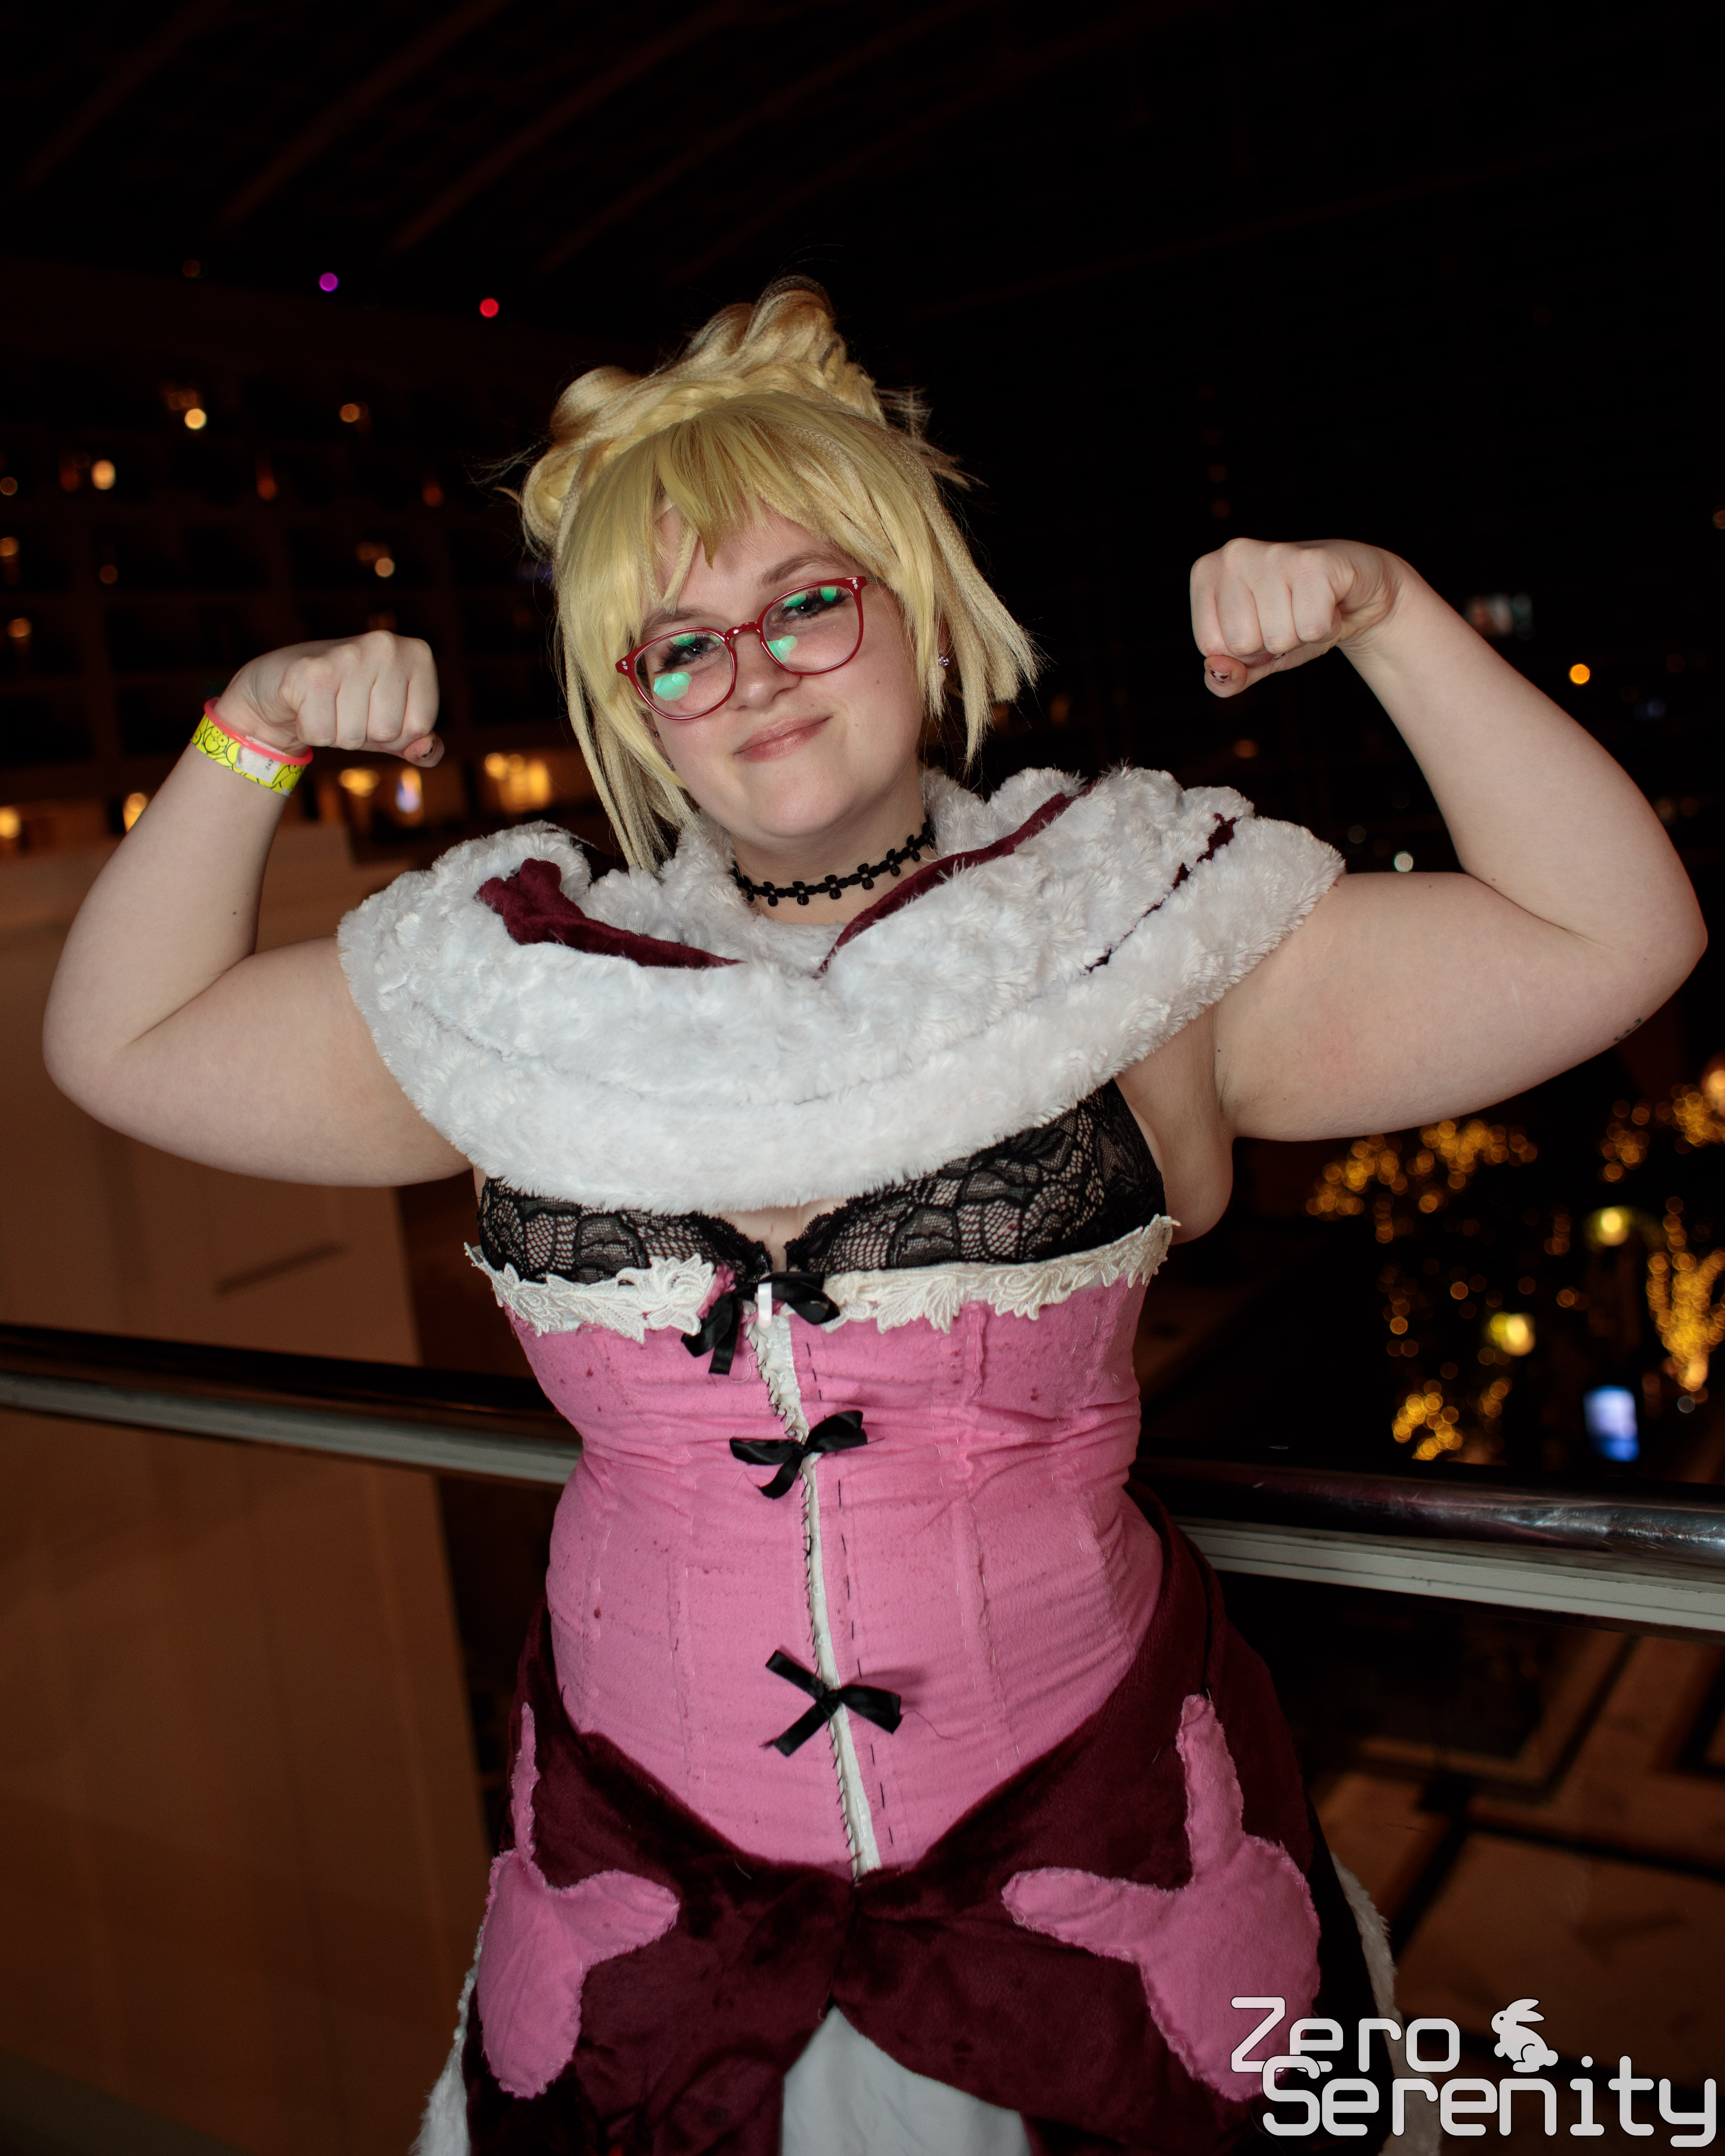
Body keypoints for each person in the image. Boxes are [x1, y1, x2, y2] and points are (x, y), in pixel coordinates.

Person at [43, 280, 1704, 2156]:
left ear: (913, 599)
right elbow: (126, 1042)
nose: (753, 674)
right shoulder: (511, 996)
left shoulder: (1126, 933)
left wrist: (1390, 615)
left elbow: (1611, 935)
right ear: (634, 705)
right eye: (681, 647)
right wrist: (251, 731)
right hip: (641, 1906)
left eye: (806, 603)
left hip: (1102, 1870)